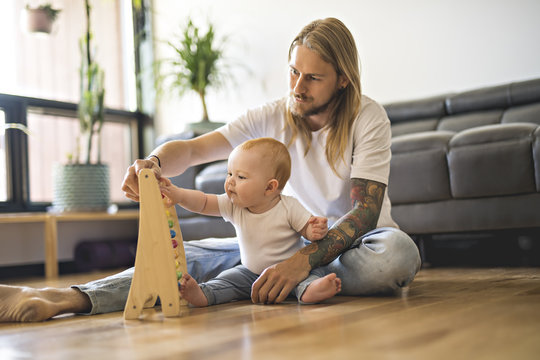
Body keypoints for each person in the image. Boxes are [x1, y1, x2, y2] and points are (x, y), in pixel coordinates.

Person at [0, 17, 421, 322]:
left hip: (351, 246)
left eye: (312, 78)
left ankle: (292, 280)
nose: (297, 87)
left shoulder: (369, 118)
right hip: (273, 247)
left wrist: (301, 260)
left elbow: (365, 213)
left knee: (397, 255)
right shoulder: (271, 115)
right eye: (293, 71)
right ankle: (69, 299)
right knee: (186, 258)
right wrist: (153, 162)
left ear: (343, 80)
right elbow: (194, 149)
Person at [161, 137, 341, 306]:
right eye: (229, 173)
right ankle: (202, 294)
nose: (230, 181)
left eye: (241, 177)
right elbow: (203, 202)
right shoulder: (233, 205)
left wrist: (315, 230)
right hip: (249, 273)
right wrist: (179, 195)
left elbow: (307, 230)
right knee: (226, 279)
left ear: (270, 187)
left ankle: (312, 290)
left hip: (290, 273)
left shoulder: (289, 206)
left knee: (309, 277)